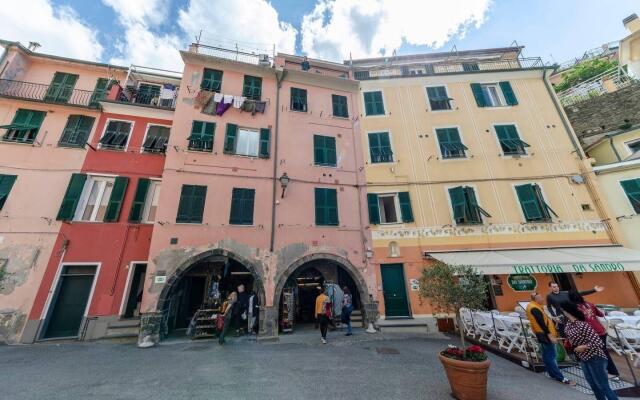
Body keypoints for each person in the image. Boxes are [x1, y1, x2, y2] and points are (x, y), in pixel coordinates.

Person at [562, 301, 619, 400]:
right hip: (584, 358)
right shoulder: (568, 325)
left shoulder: (582, 324)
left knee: (603, 386)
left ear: (567, 311)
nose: (561, 311)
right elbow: (569, 338)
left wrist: (584, 346)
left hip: (596, 357)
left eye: (562, 309)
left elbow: (598, 342)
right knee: (594, 386)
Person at [526, 292, 575, 386]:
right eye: (540, 297)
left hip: (541, 334)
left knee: (546, 355)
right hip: (544, 334)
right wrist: (550, 335)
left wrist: (553, 319)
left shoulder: (533, 306)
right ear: (535, 299)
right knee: (552, 356)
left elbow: (543, 319)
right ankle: (560, 377)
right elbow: (541, 323)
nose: (542, 299)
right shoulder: (534, 308)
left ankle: (551, 373)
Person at [569, 290, 620, 381]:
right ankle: (606, 372)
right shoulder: (589, 304)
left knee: (600, 353)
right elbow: (601, 314)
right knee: (603, 351)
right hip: (600, 330)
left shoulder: (574, 308)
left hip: (590, 333)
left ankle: (612, 372)